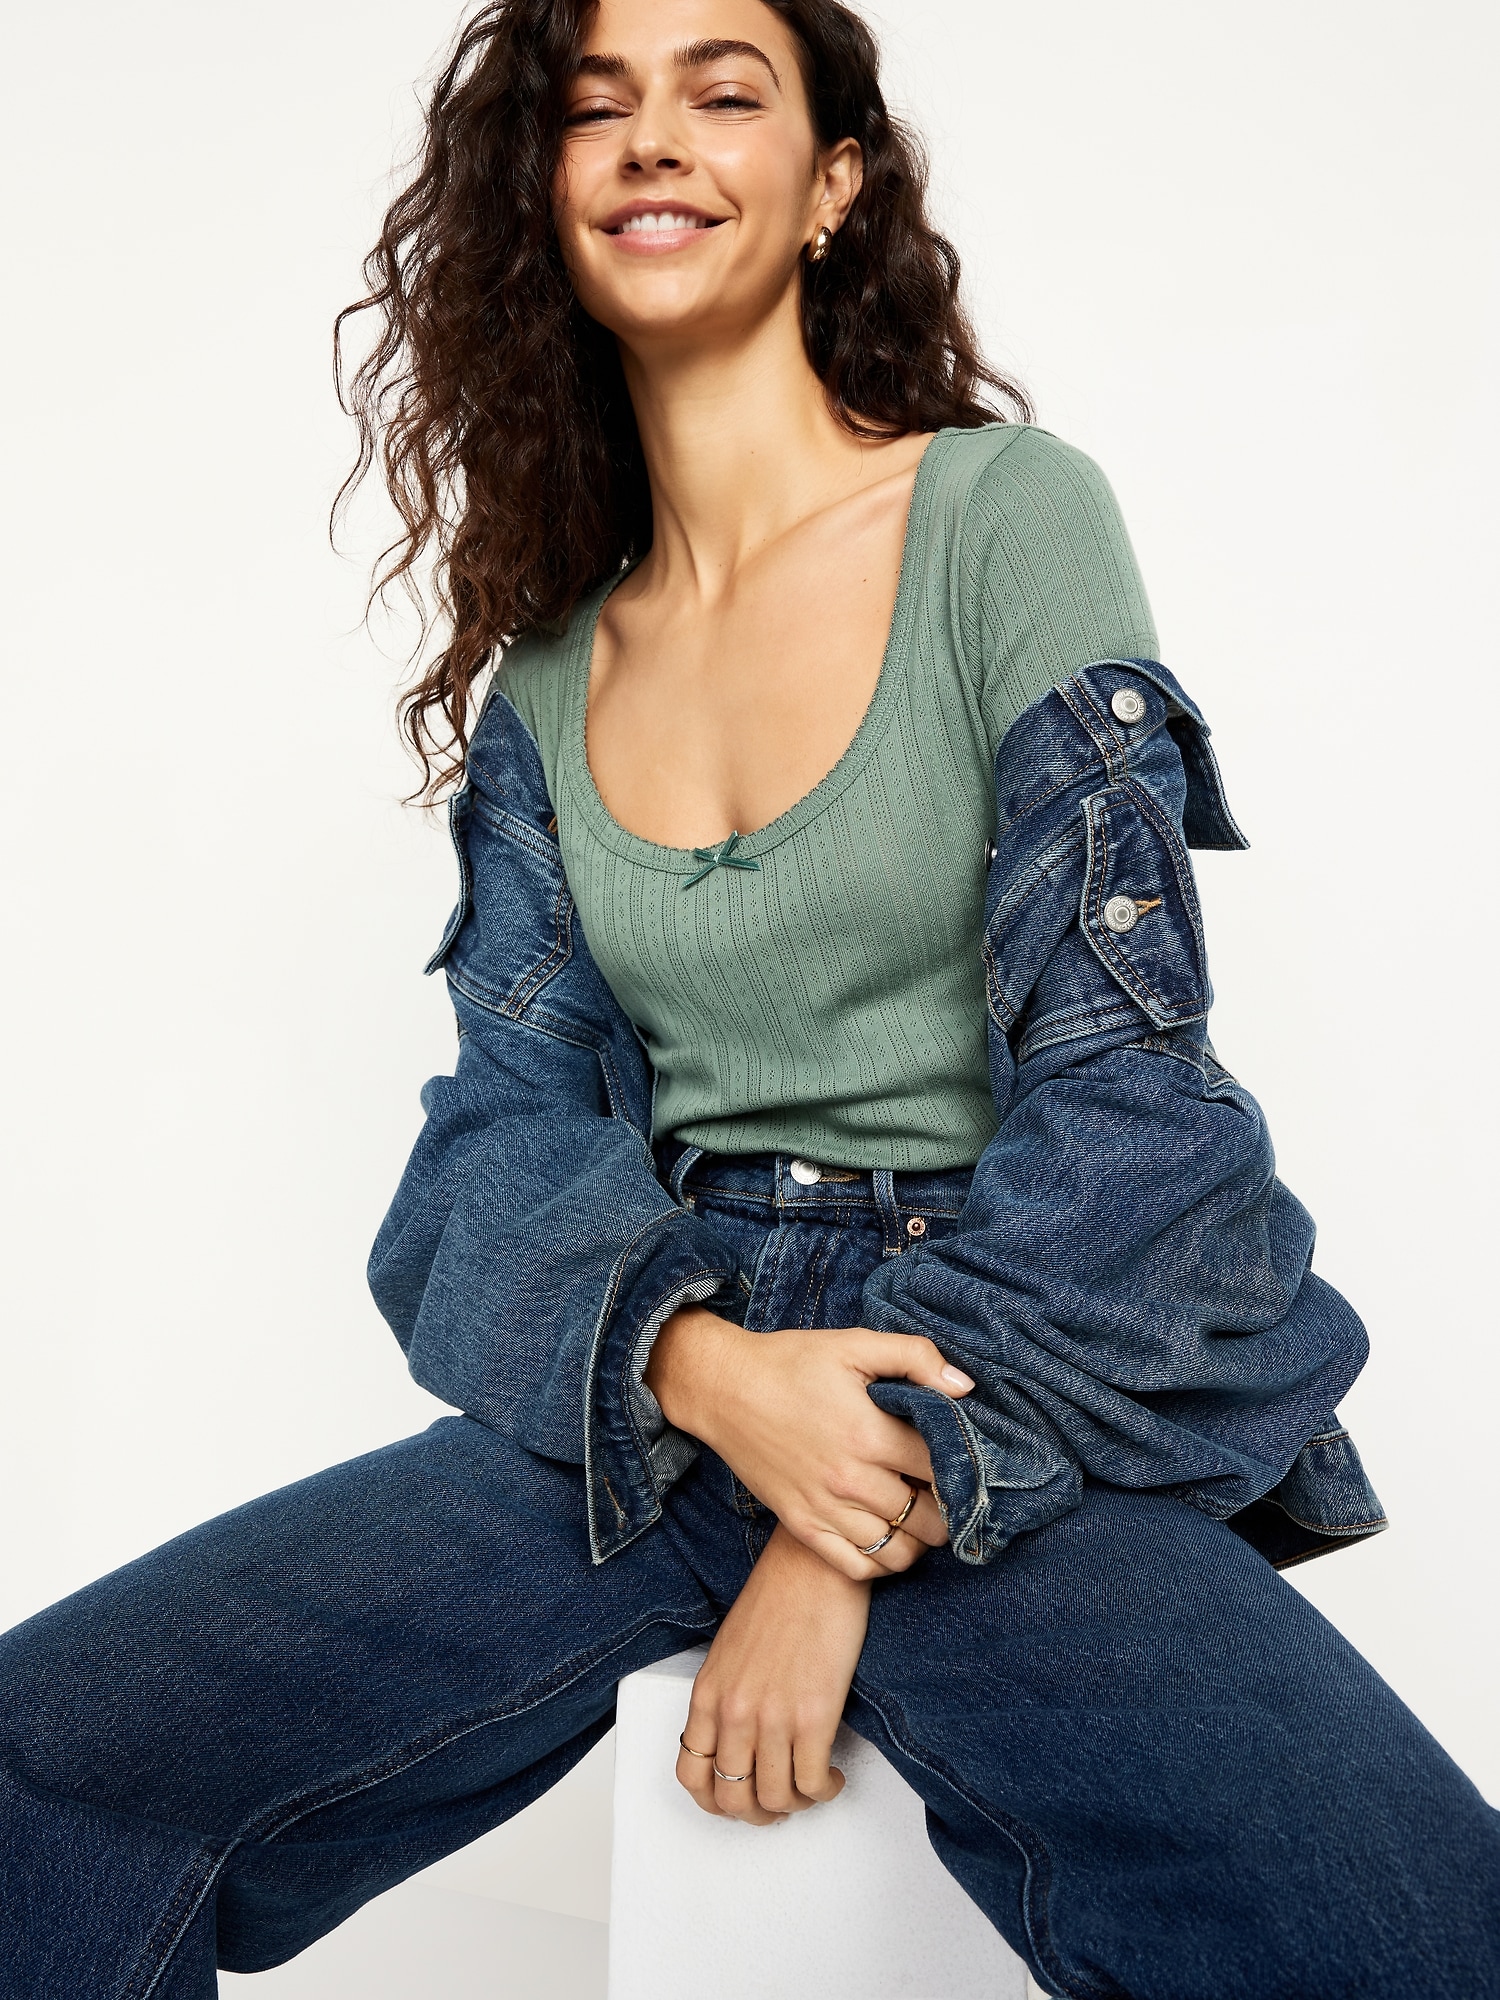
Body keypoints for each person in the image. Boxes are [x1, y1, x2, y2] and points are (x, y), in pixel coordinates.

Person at [3, 1, 1497, 1994]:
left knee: (1420, 1934)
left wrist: (845, 1519)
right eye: (596, 106)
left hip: (999, 1371)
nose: (655, 139)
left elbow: (1133, 1108)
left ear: (830, 186)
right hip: (668, 1375)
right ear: (543, 195)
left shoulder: (1002, 519)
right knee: (44, 1763)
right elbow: (497, 1145)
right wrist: (708, 1376)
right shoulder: (548, 674)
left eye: (725, 93)